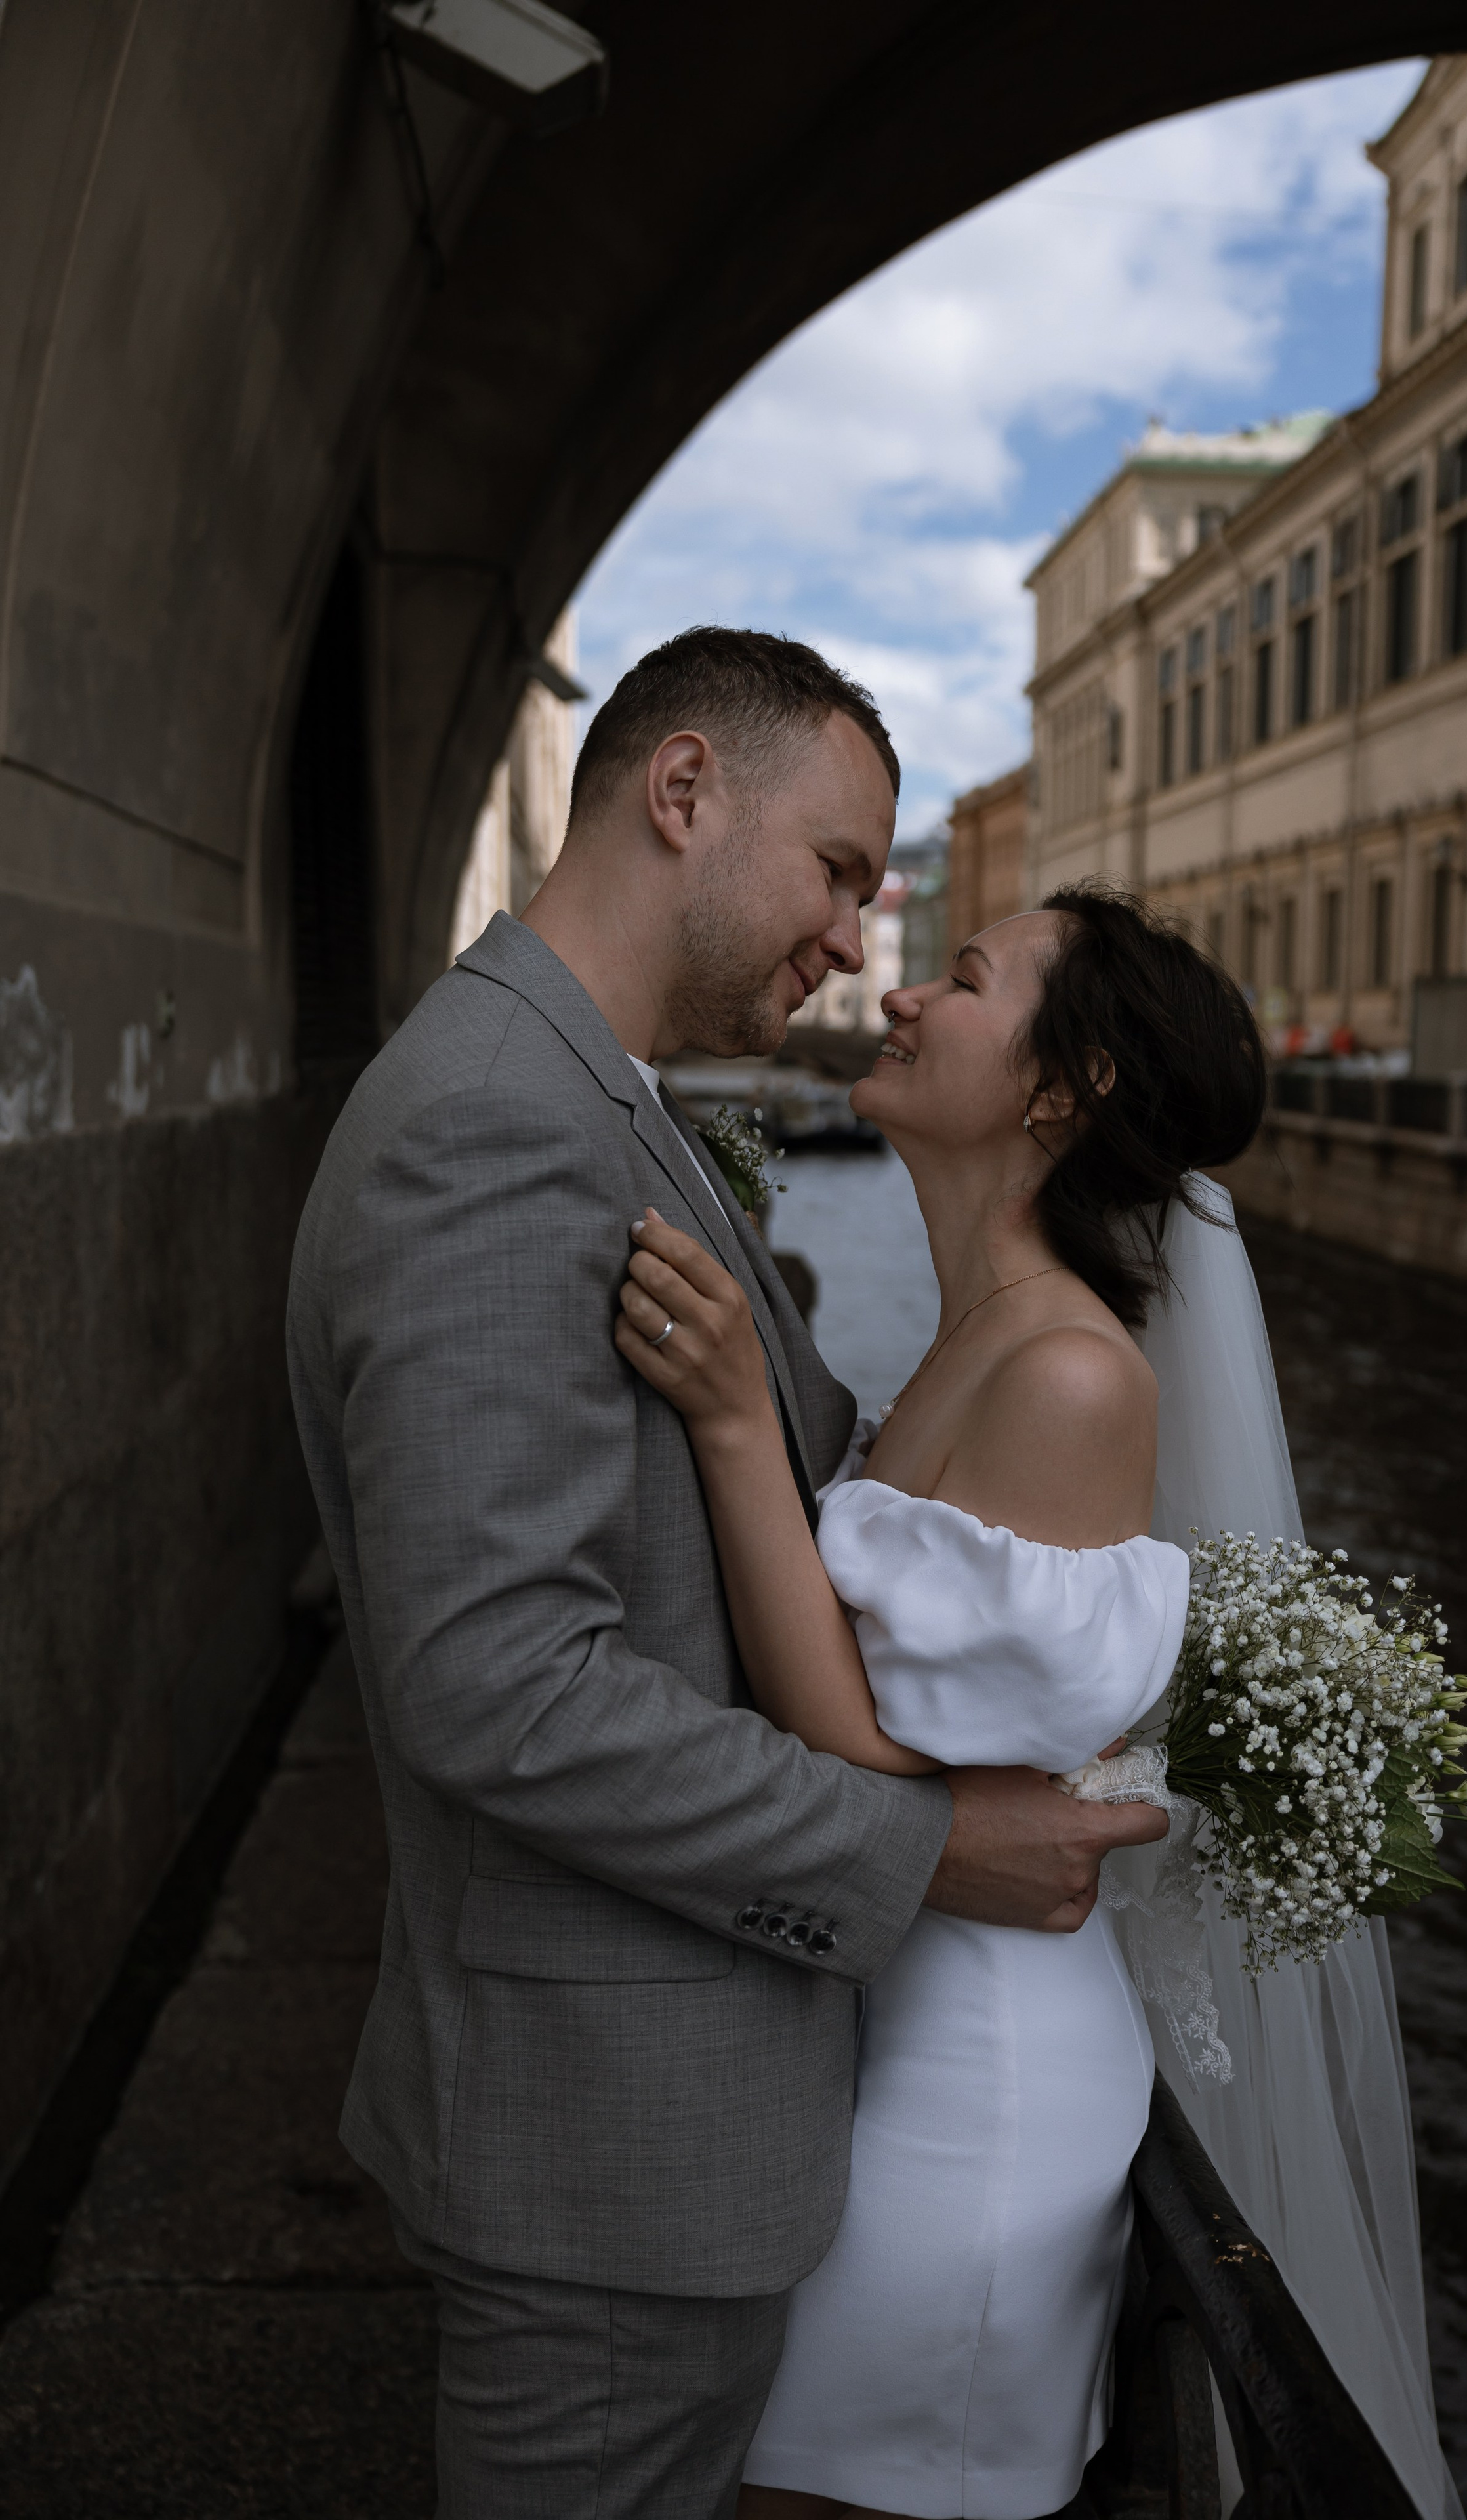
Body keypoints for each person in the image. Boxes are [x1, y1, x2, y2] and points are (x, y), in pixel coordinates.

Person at [285, 628, 1168, 2520]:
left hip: (664, 2124)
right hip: (607, 2150)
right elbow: (497, 1683)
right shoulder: (496, 1129)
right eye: (845, 874)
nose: (861, 944)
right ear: (684, 794)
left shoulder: (598, 1099)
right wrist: (924, 1850)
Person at [616, 886, 1462, 2520]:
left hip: (974, 2101)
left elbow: (851, 1745)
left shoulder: (1071, 1377)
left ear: (1062, 1090)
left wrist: (734, 1426)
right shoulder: (984, 1339)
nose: (905, 997)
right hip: (896, 2033)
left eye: (967, 979)